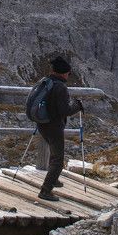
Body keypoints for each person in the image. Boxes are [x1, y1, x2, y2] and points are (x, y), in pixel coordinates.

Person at [37, 55, 82, 201]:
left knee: (53, 153)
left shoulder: (47, 82)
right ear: (63, 72)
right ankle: (45, 190)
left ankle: (54, 179)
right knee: (58, 159)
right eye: (68, 73)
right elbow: (64, 111)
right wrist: (77, 106)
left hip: (43, 124)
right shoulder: (60, 87)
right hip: (54, 126)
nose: (69, 75)